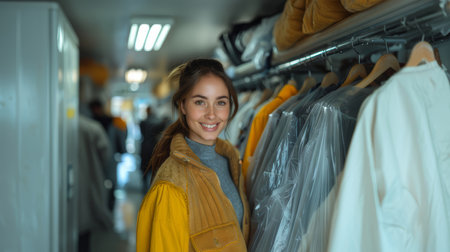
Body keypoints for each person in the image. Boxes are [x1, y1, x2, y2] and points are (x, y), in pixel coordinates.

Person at [136, 58, 250, 251]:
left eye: (220, 102)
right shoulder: (171, 187)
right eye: (200, 102)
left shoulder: (231, 160)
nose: (212, 114)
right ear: (182, 105)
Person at [78, 115, 114, 252]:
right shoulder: (92, 127)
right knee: (84, 236)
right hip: (88, 181)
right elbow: (106, 155)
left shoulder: (53, 125)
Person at [88, 99, 127, 211]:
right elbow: (120, 139)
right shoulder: (112, 122)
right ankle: (108, 207)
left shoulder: (94, 123)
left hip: (100, 159)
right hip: (109, 157)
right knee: (110, 183)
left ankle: (105, 207)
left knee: (102, 183)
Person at [139, 106, 167, 193]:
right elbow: (160, 127)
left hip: (145, 147)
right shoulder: (155, 123)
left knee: (145, 168)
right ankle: (151, 187)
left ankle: (145, 187)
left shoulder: (143, 122)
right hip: (153, 147)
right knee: (153, 168)